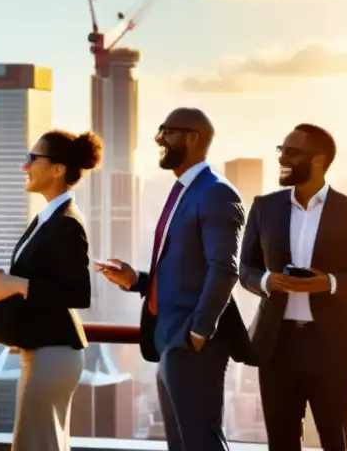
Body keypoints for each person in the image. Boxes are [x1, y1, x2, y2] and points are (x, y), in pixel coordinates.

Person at [98, 107, 251, 451]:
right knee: (180, 445)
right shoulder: (184, 191)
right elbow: (183, 269)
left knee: (201, 441)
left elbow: (225, 268)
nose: (159, 139)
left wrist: (198, 331)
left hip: (192, 342)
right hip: (171, 340)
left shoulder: (215, 193)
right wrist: (135, 280)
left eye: (167, 132)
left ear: (193, 138)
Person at [239, 124, 347, 451]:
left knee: (336, 440)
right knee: (281, 443)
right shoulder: (264, 207)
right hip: (277, 346)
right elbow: (244, 268)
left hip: (330, 348)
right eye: (281, 150)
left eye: (291, 151)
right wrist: (266, 281)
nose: (282, 157)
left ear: (318, 161)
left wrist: (327, 283)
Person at [0, 129, 100, 451]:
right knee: (42, 443)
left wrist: (17, 284)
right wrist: (8, 284)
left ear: (58, 169)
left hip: (54, 353)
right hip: (42, 349)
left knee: (35, 444)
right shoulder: (47, 218)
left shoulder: (66, 222)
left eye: (33, 159)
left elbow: (78, 293)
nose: (25, 166)